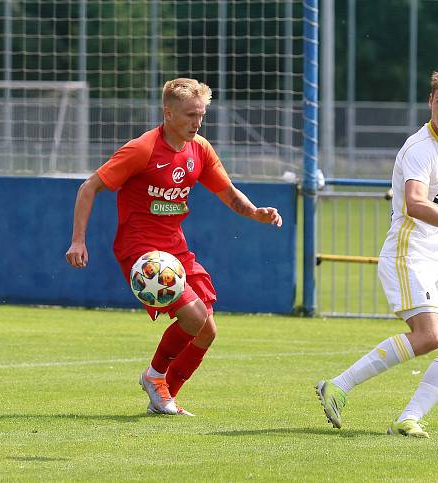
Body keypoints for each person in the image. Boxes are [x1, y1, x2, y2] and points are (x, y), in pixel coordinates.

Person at [315, 66, 438, 437]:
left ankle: (408, 418)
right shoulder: (419, 148)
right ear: (430, 101)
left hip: (433, 259)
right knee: (429, 336)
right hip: (406, 256)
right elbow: (415, 204)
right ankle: (338, 385)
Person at [66, 78, 282, 416]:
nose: (197, 122)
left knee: (207, 331)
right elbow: (88, 187)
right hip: (140, 251)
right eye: (190, 115)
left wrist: (255, 212)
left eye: (201, 115)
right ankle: (154, 376)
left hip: (175, 249)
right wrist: (78, 240)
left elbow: (227, 192)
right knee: (195, 317)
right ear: (168, 113)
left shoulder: (200, 149)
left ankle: (164, 397)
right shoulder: (142, 149)